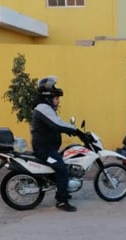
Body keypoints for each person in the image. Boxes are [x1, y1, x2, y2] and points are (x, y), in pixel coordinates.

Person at [31, 76, 78, 212]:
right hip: (44, 150)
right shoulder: (43, 107)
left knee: (63, 165)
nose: (58, 102)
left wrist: (70, 129)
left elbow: (57, 123)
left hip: (48, 147)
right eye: (56, 98)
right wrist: (74, 130)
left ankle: (62, 190)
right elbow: (56, 123)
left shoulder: (45, 107)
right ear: (48, 95)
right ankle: (61, 201)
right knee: (62, 169)